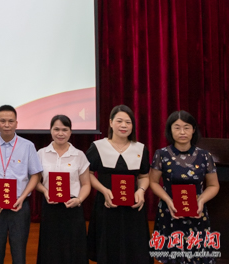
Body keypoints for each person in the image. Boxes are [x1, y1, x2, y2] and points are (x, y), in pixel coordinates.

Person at [0, 105, 42, 264]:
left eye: (10, 121)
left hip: (19, 206)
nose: (6, 125)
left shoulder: (27, 146)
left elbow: (36, 175)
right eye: (2, 121)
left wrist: (22, 198)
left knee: (19, 254)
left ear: (16, 123)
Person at [149, 110, 219, 263]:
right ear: (170, 130)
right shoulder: (161, 154)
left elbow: (213, 185)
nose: (182, 132)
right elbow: (153, 182)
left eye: (187, 127)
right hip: (169, 211)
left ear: (193, 130)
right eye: (177, 127)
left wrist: (201, 200)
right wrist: (168, 200)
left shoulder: (204, 156)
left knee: (198, 256)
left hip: (197, 212)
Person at [86, 104, 152, 263]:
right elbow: (88, 174)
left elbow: (144, 176)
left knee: (134, 250)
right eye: (119, 121)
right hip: (107, 205)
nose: (124, 125)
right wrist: (103, 190)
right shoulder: (98, 147)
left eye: (128, 122)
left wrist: (141, 190)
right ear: (110, 122)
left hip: (133, 207)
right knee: (109, 247)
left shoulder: (140, 148)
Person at [35, 114, 91, 264]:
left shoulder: (79, 155)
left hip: (72, 207)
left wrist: (79, 199)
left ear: (70, 132)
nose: (60, 133)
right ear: (50, 130)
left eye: (65, 130)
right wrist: (45, 191)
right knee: (50, 248)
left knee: (73, 249)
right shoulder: (41, 153)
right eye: (57, 129)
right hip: (50, 207)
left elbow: (86, 184)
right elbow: (35, 182)